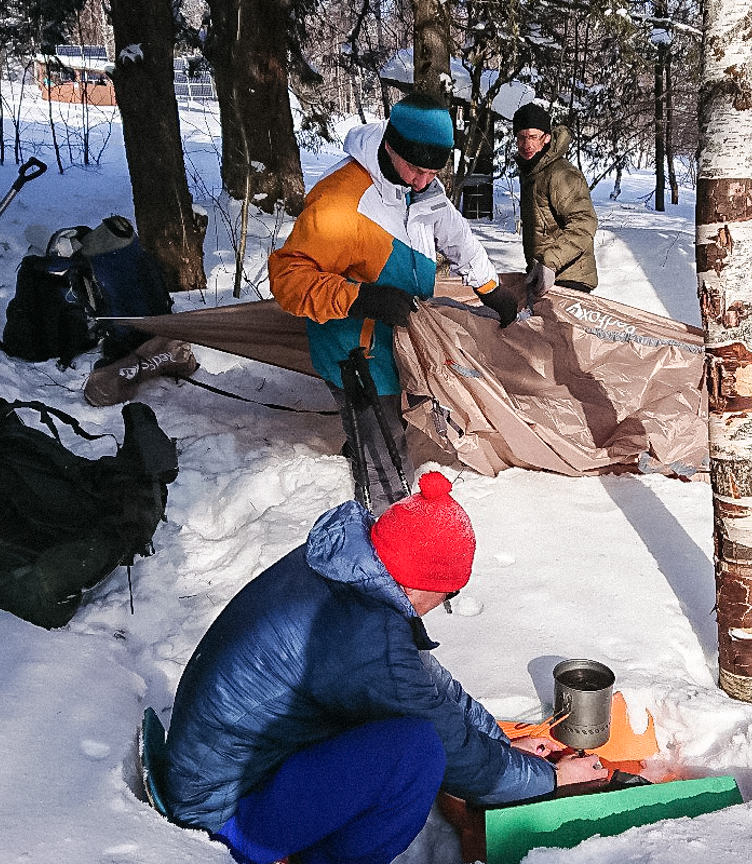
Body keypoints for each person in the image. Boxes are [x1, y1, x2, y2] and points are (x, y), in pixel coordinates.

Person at [159, 472, 606, 864]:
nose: (437, 608)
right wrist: (551, 779)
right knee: (417, 752)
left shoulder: (348, 570)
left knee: (417, 734)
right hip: (224, 813)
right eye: (445, 595)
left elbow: (429, 685)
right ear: (424, 587)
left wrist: (502, 741)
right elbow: (459, 760)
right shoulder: (365, 636)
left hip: (223, 769)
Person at [269, 94, 522, 511]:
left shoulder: (420, 186)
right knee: (387, 460)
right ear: (390, 145)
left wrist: (490, 288)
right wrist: (360, 296)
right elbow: (288, 280)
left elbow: (455, 233)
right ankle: (389, 537)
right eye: (416, 169)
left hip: (401, 339)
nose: (424, 181)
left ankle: (364, 457)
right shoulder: (341, 202)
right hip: (357, 353)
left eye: (433, 171)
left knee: (396, 425)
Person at [512, 102, 599, 297]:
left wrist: (550, 262)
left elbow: (584, 224)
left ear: (546, 138)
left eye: (533, 137)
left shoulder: (561, 174)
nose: (527, 145)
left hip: (569, 278)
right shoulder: (532, 171)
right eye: (521, 138)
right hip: (545, 274)